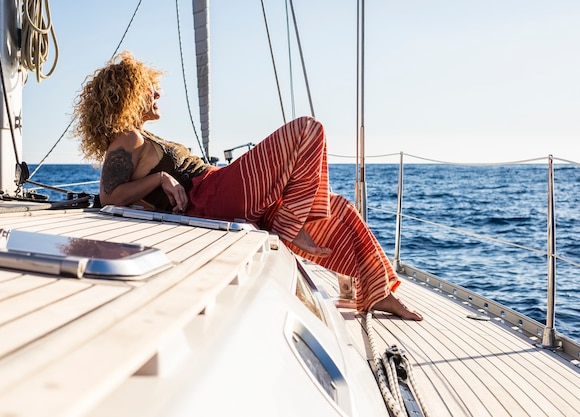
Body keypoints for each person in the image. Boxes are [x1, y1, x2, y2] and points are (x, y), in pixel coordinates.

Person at [74, 51, 423, 321]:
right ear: (131, 92)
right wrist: (160, 178)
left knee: (340, 208)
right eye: (150, 87)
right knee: (307, 130)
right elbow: (109, 197)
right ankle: (289, 228)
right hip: (209, 197)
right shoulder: (127, 138)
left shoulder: (143, 136)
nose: (157, 92)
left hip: (217, 188)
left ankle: (379, 292)